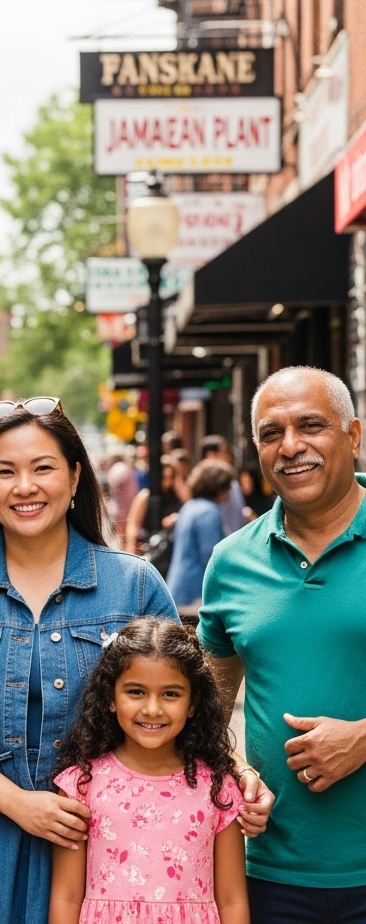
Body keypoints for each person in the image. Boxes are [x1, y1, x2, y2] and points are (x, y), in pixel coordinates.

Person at [0, 396, 249, 924]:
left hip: (108, 847)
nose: (25, 487)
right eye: (5, 472)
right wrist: (19, 804)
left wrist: (239, 774)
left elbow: (185, 705)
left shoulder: (136, 584)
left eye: (43, 468)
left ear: (76, 477)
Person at [199, 366, 366, 922]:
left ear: (353, 436)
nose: (291, 447)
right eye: (272, 433)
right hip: (268, 877)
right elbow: (205, 715)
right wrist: (237, 772)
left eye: (311, 426)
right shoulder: (230, 562)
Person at [49, 616, 249, 924]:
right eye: (136, 692)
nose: (153, 709)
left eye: (170, 694)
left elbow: (232, 899)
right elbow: (66, 895)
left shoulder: (218, 788)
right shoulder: (82, 785)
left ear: (193, 703)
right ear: (111, 698)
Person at [165, 459, 236, 617]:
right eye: (227, 486)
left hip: (178, 589)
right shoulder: (209, 512)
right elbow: (211, 556)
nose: (230, 492)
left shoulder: (189, 506)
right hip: (195, 595)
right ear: (219, 486)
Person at [123, 454, 185, 555]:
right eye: (164, 477)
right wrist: (131, 548)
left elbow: (189, 502)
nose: (167, 482)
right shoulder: (146, 495)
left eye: (171, 477)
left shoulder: (175, 496)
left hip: (170, 550)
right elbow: (133, 523)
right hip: (148, 548)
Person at [199, 434, 249, 535]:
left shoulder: (231, 483)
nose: (229, 457)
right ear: (210, 456)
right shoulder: (205, 486)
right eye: (225, 453)